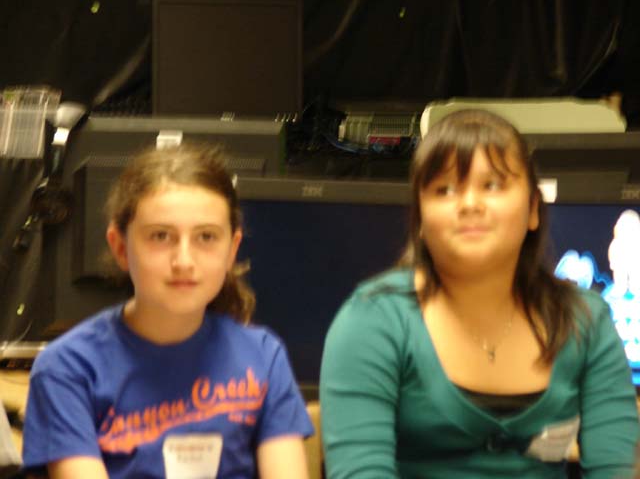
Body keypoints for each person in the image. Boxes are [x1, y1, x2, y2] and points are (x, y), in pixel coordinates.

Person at [320, 109, 639, 478]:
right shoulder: (372, 322)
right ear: (420, 220)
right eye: (445, 189)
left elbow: (614, 470)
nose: (470, 203)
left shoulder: (586, 320)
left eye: (493, 185)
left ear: (533, 209)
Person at [22, 144, 313, 479]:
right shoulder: (67, 368)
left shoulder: (263, 356)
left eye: (206, 237)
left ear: (232, 249)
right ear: (120, 247)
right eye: (161, 236)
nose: (184, 261)